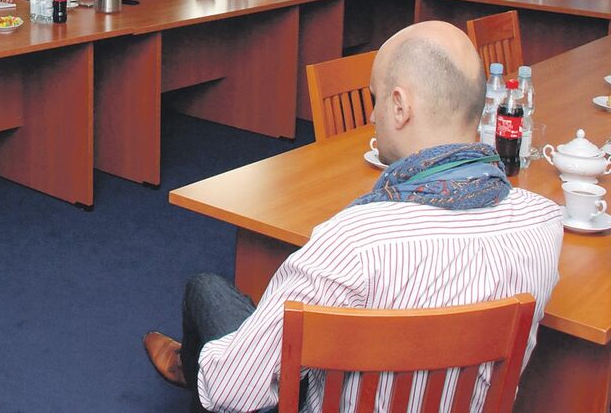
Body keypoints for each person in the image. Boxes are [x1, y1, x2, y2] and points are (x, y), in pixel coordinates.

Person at [143, 20, 563, 412]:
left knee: (206, 291)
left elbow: (232, 391)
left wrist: (221, 359)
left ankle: (194, 362)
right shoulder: (543, 224)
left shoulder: (353, 243)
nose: (371, 116)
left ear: (399, 106)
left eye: (375, 99)